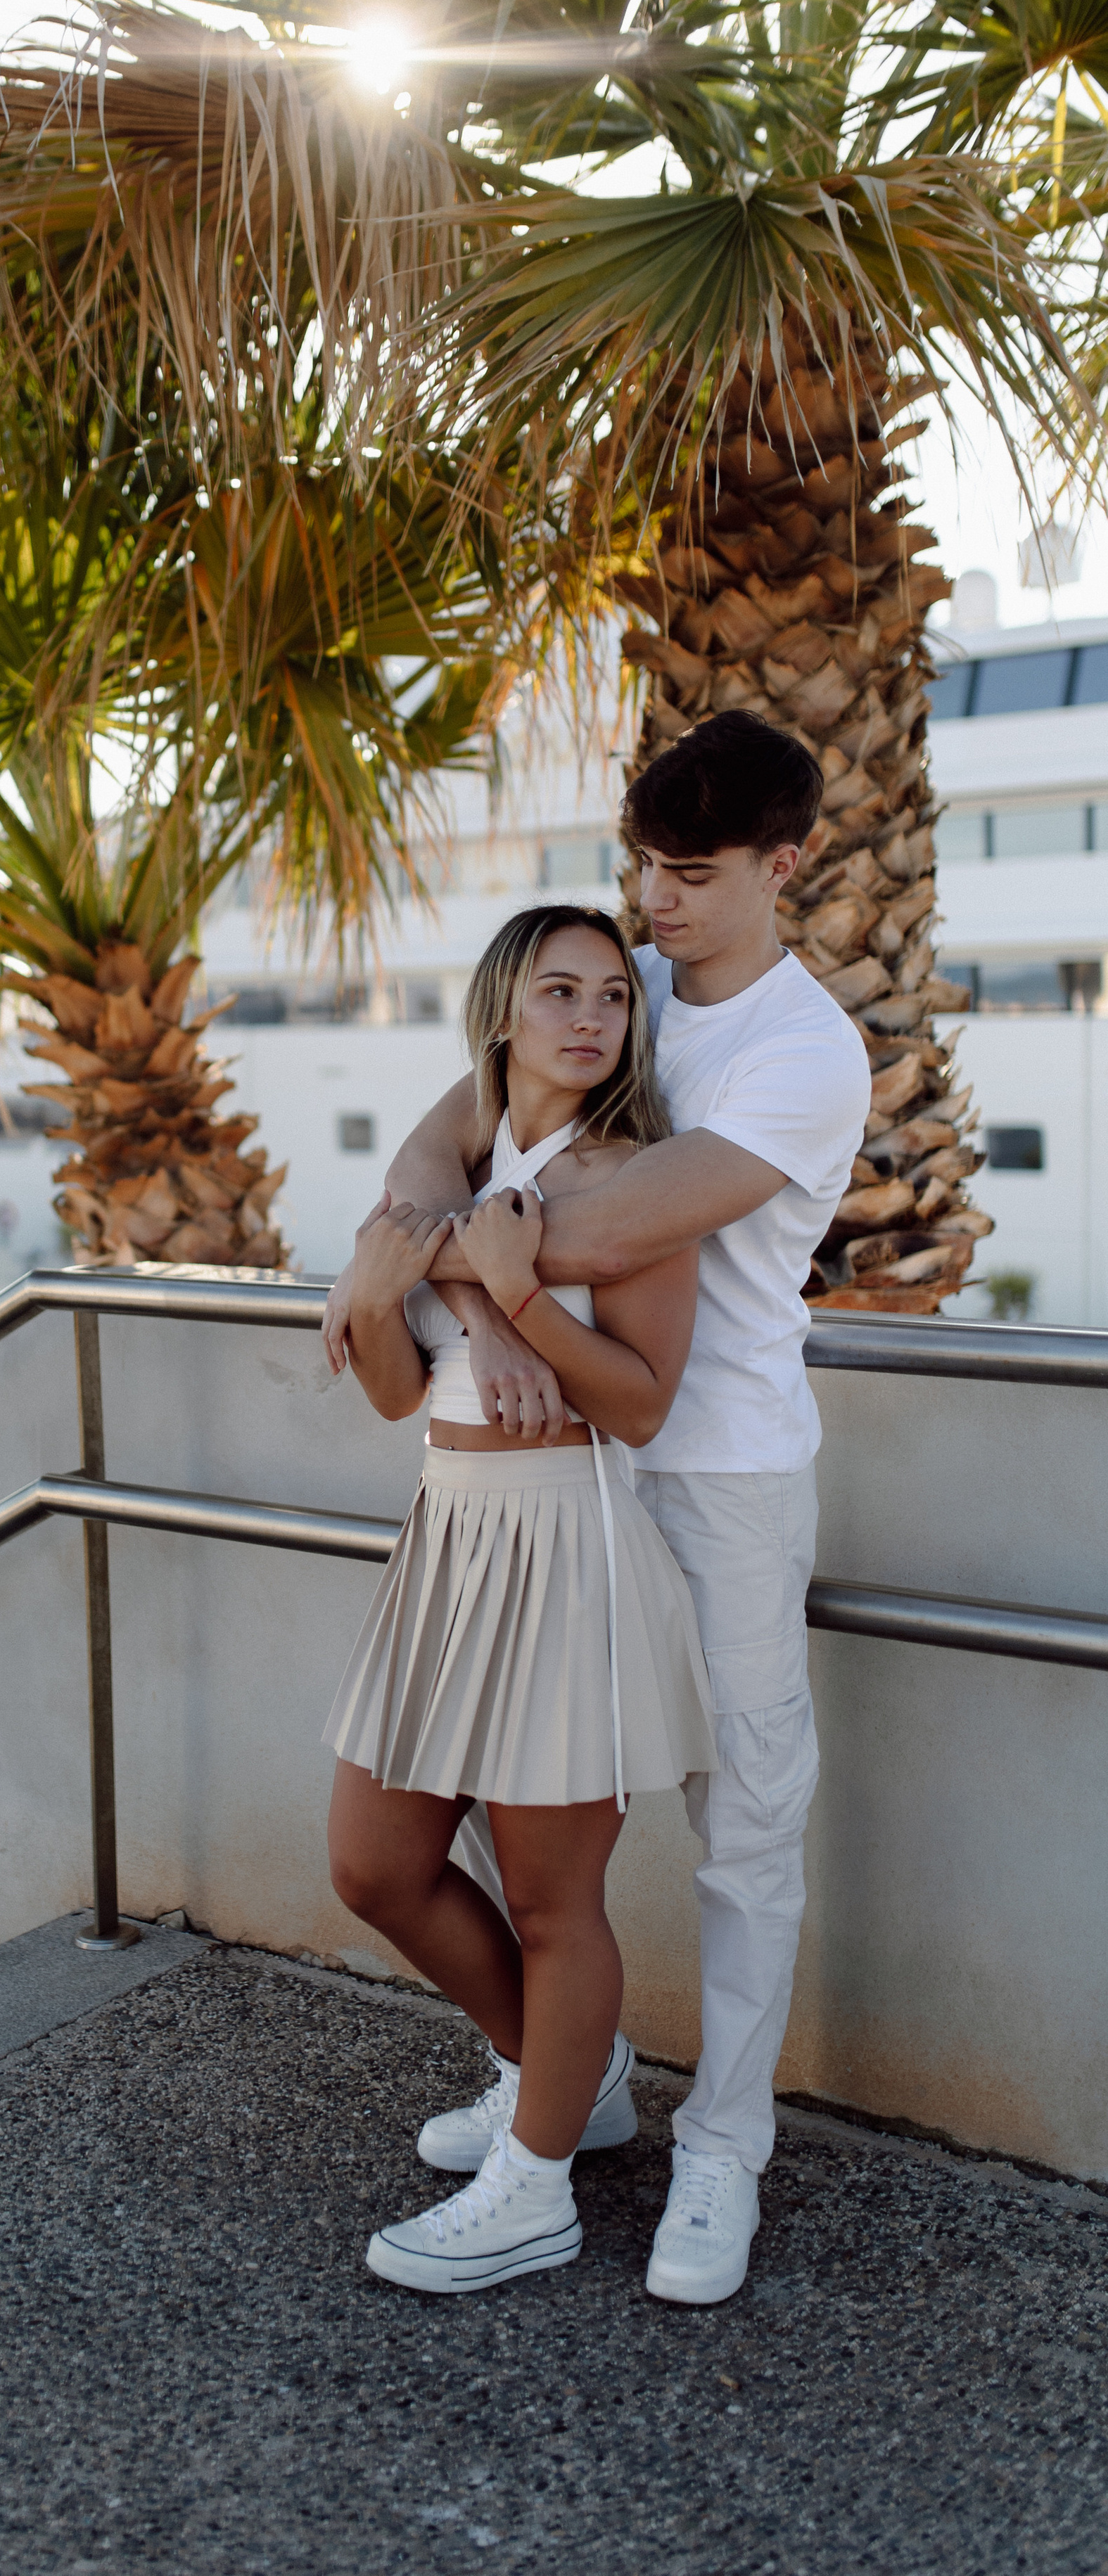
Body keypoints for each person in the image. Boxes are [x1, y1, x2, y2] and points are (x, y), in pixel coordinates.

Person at [322, 710, 872, 2305]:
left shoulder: (797, 1049)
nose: (653, 901)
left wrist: (431, 1255)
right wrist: (437, 1262)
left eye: (689, 875)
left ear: (784, 866)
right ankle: (573, 2080)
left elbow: (585, 1226)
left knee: (742, 1821)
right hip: (566, 1484)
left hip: (720, 1474)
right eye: (642, 867)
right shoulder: (606, 989)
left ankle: (724, 2146)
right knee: (509, 1818)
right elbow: (429, 1175)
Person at [326, 902, 718, 2294]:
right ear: (501, 1009)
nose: (587, 1018)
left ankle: (535, 2189)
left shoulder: (634, 1181)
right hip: (448, 1537)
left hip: (566, 1546)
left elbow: (641, 1403)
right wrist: (398, 1301)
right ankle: (560, 2073)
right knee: (373, 1863)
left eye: (611, 995)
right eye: (556, 990)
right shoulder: (447, 1171)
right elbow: (390, 1395)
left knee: (557, 1907)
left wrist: (523, 1303)